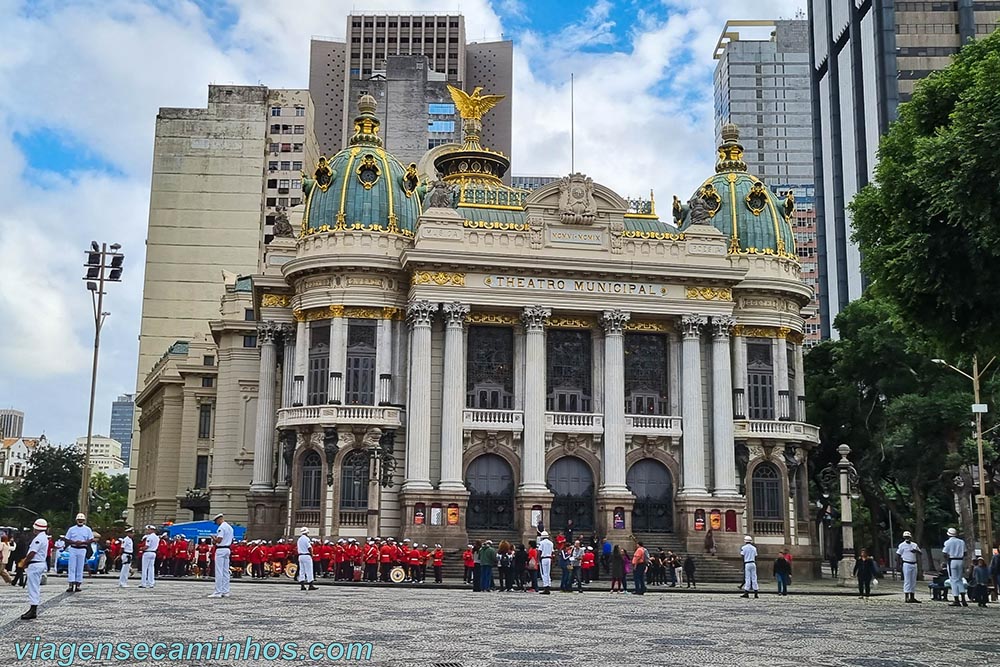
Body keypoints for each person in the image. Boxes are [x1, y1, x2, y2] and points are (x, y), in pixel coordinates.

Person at [18, 518, 49, 620]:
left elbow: (32, 553)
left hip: (35, 564)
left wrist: (25, 562)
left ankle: (33, 609)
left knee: (33, 587)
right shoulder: (44, 537)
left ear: (36, 528)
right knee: (34, 586)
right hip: (38, 564)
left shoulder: (38, 539)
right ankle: (33, 608)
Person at [65, 512, 94, 593]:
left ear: (84, 521)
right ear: (76, 520)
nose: (80, 521)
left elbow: (91, 539)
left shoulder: (87, 529)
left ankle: (78, 584)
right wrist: (74, 542)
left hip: (82, 549)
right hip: (73, 548)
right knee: (72, 566)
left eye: (82, 520)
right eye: (79, 520)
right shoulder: (71, 529)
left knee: (80, 567)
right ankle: (71, 584)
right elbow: (66, 539)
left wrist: (82, 542)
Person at [210, 512, 234, 598]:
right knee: (225, 571)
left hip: (221, 549)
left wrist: (213, 538)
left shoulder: (221, 528)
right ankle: (225, 591)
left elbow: (219, 540)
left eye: (216, 522)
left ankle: (218, 592)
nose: (216, 524)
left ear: (219, 519)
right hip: (227, 549)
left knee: (219, 571)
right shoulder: (230, 527)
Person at [942, 527, 968, 607]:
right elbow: (965, 553)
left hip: (952, 560)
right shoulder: (961, 542)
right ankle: (963, 599)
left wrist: (947, 559)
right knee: (959, 579)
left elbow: (945, 553)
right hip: (960, 560)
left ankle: (956, 599)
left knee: (953, 580)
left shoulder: (948, 542)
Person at [896, 530, 922, 603]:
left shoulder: (914, 544)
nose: (907, 538)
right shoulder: (901, 545)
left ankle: (912, 596)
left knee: (913, 581)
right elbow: (898, 555)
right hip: (906, 563)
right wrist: (898, 565)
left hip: (914, 563)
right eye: (906, 537)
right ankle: (906, 597)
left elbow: (920, 552)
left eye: (908, 537)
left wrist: (916, 551)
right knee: (907, 580)